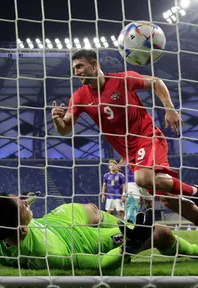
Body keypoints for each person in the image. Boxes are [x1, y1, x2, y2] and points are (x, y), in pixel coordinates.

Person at [51, 49, 198, 225]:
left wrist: (169, 108)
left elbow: (156, 82)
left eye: (80, 66)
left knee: (142, 179)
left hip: (147, 136)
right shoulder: (79, 97)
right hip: (131, 154)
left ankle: (194, 191)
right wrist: (57, 120)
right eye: (74, 68)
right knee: (168, 200)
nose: (77, 72)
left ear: (94, 64)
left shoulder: (122, 79)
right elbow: (65, 129)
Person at [0, 193, 198, 270]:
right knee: (161, 233)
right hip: (83, 240)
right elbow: (100, 265)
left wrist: (20, 207)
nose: (26, 201)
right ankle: (193, 250)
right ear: (23, 230)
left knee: (92, 209)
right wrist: (127, 248)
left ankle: (125, 222)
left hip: (55, 221)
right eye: (23, 206)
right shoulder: (47, 253)